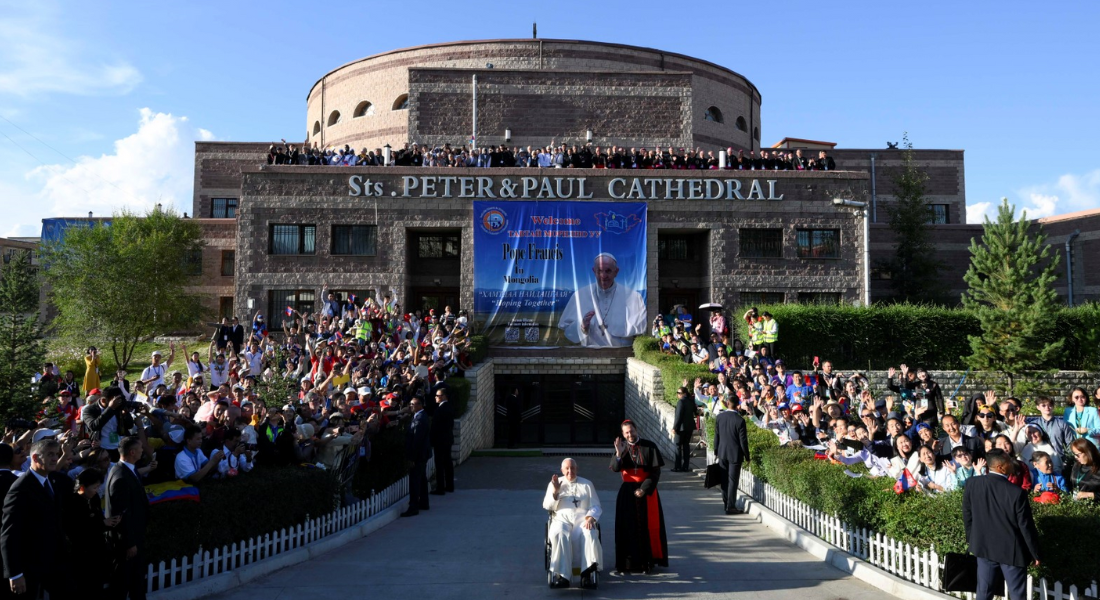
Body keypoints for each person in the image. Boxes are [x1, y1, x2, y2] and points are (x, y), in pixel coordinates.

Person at [962, 449, 1040, 600]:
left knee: (983, 593)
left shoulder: (972, 483)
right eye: (1008, 461)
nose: (1012, 463)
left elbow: (967, 515)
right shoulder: (1016, 493)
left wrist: (972, 539)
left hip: (983, 547)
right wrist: (1035, 553)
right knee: (1017, 595)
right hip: (1011, 552)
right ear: (1000, 467)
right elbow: (1025, 526)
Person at [1, 438, 69, 599]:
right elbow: (9, 534)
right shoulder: (20, 488)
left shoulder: (53, 481)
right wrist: (15, 574)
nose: (55, 458)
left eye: (56, 454)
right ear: (36, 458)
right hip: (29, 565)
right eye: (50, 454)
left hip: (55, 562)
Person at [609, 420, 667, 574]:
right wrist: (618, 454)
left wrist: (644, 489)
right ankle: (628, 564)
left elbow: (656, 472)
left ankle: (647, 562)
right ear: (623, 434)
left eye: (632, 431)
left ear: (636, 429)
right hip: (627, 492)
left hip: (647, 491)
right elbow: (615, 468)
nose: (630, 435)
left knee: (647, 527)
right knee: (627, 527)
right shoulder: (620, 447)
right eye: (626, 433)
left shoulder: (650, 446)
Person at [558, 253, 646, 348]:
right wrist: (582, 327)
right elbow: (566, 329)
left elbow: (641, 330)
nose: (603, 276)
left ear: (616, 272)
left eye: (608, 271)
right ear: (593, 271)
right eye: (599, 271)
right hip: (589, 355)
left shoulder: (633, 297)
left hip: (622, 354)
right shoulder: (579, 296)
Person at [542, 458, 602, 589]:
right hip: (561, 519)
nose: (570, 471)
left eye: (572, 468)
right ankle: (563, 576)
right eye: (567, 469)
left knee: (589, 533)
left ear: (577, 468)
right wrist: (556, 492)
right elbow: (547, 506)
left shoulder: (587, 484)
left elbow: (596, 505)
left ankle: (586, 574)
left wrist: (591, 517)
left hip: (582, 520)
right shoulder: (555, 483)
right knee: (560, 534)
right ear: (562, 470)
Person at [106, 436, 151, 600]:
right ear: (132, 452)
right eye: (140, 448)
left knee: (136, 584)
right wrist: (129, 542)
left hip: (134, 539)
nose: (142, 450)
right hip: (126, 544)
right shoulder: (121, 476)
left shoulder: (127, 470)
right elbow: (121, 513)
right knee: (121, 585)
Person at [65, 468, 118, 597]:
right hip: (80, 555)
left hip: (97, 552)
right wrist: (101, 524)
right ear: (82, 487)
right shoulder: (71, 503)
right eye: (94, 487)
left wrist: (108, 523)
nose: (97, 490)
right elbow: (76, 529)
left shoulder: (94, 499)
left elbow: (98, 519)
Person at [713, 397, 750, 514]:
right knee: (733, 481)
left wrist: (716, 450)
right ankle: (731, 506)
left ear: (727, 403)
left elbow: (716, 436)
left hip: (722, 452)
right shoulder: (740, 420)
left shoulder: (719, 417)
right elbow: (743, 441)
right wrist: (747, 455)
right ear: (738, 405)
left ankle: (726, 503)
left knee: (724, 479)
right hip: (735, 454)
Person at [401, 397, 431, 517]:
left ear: (420, 406)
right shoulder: (419, 417)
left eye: (412, 404)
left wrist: (412, 458)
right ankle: (424, 502)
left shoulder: (420, 419)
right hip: (422, 455)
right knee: (422, 478)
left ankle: (413, 506)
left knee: (415, 480)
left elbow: (416, 440)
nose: (410, 406)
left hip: (418, 456)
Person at [429, 388, 455, 494]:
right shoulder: (449, 407)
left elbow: (436, 427)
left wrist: (432, 439)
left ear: (444, 396)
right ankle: (449, 485)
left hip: (440, 440)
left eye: (438, 395)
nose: (436, 397)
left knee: (439, 464)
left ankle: (440, 488)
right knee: (448, 463)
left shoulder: (442, 409)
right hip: (447, 439)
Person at [671, 387, 697, 472]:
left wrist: (675, 428)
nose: (678, 394)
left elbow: (678, 416)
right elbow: (695, 411)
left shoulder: (681, 402)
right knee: (686, 446)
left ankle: (677, 466)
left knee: (678, 446)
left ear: (684, 394)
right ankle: (686, 466)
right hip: (689, 427)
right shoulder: (690, 401)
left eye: (679, 393)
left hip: (681, 428)